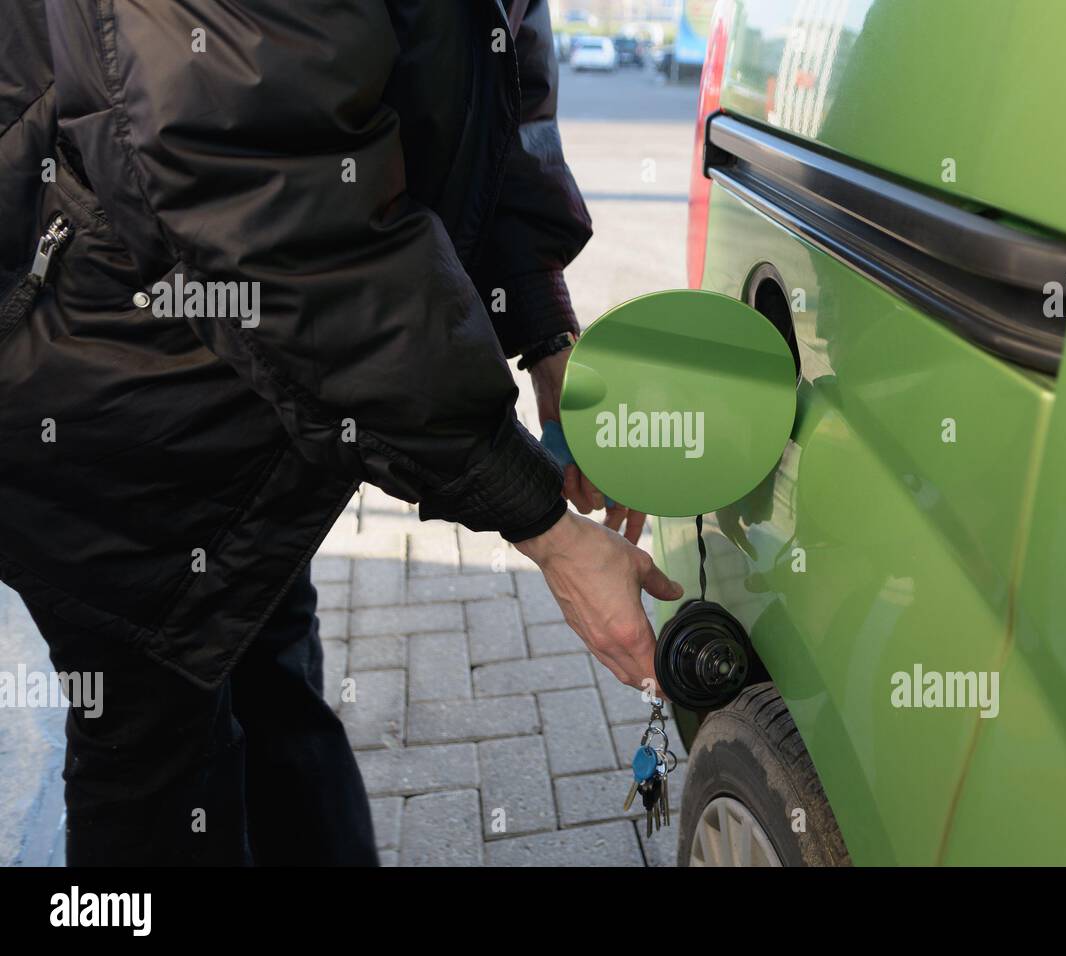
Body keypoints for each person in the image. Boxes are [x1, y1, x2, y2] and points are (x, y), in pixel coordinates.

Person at [0, 0, 680, 865]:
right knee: (153, 750)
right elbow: (275, 222)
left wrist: (542, 322)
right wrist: (539, 522)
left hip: (257, 410)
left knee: (269, 670)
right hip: (98, 381)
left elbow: (494, 62)